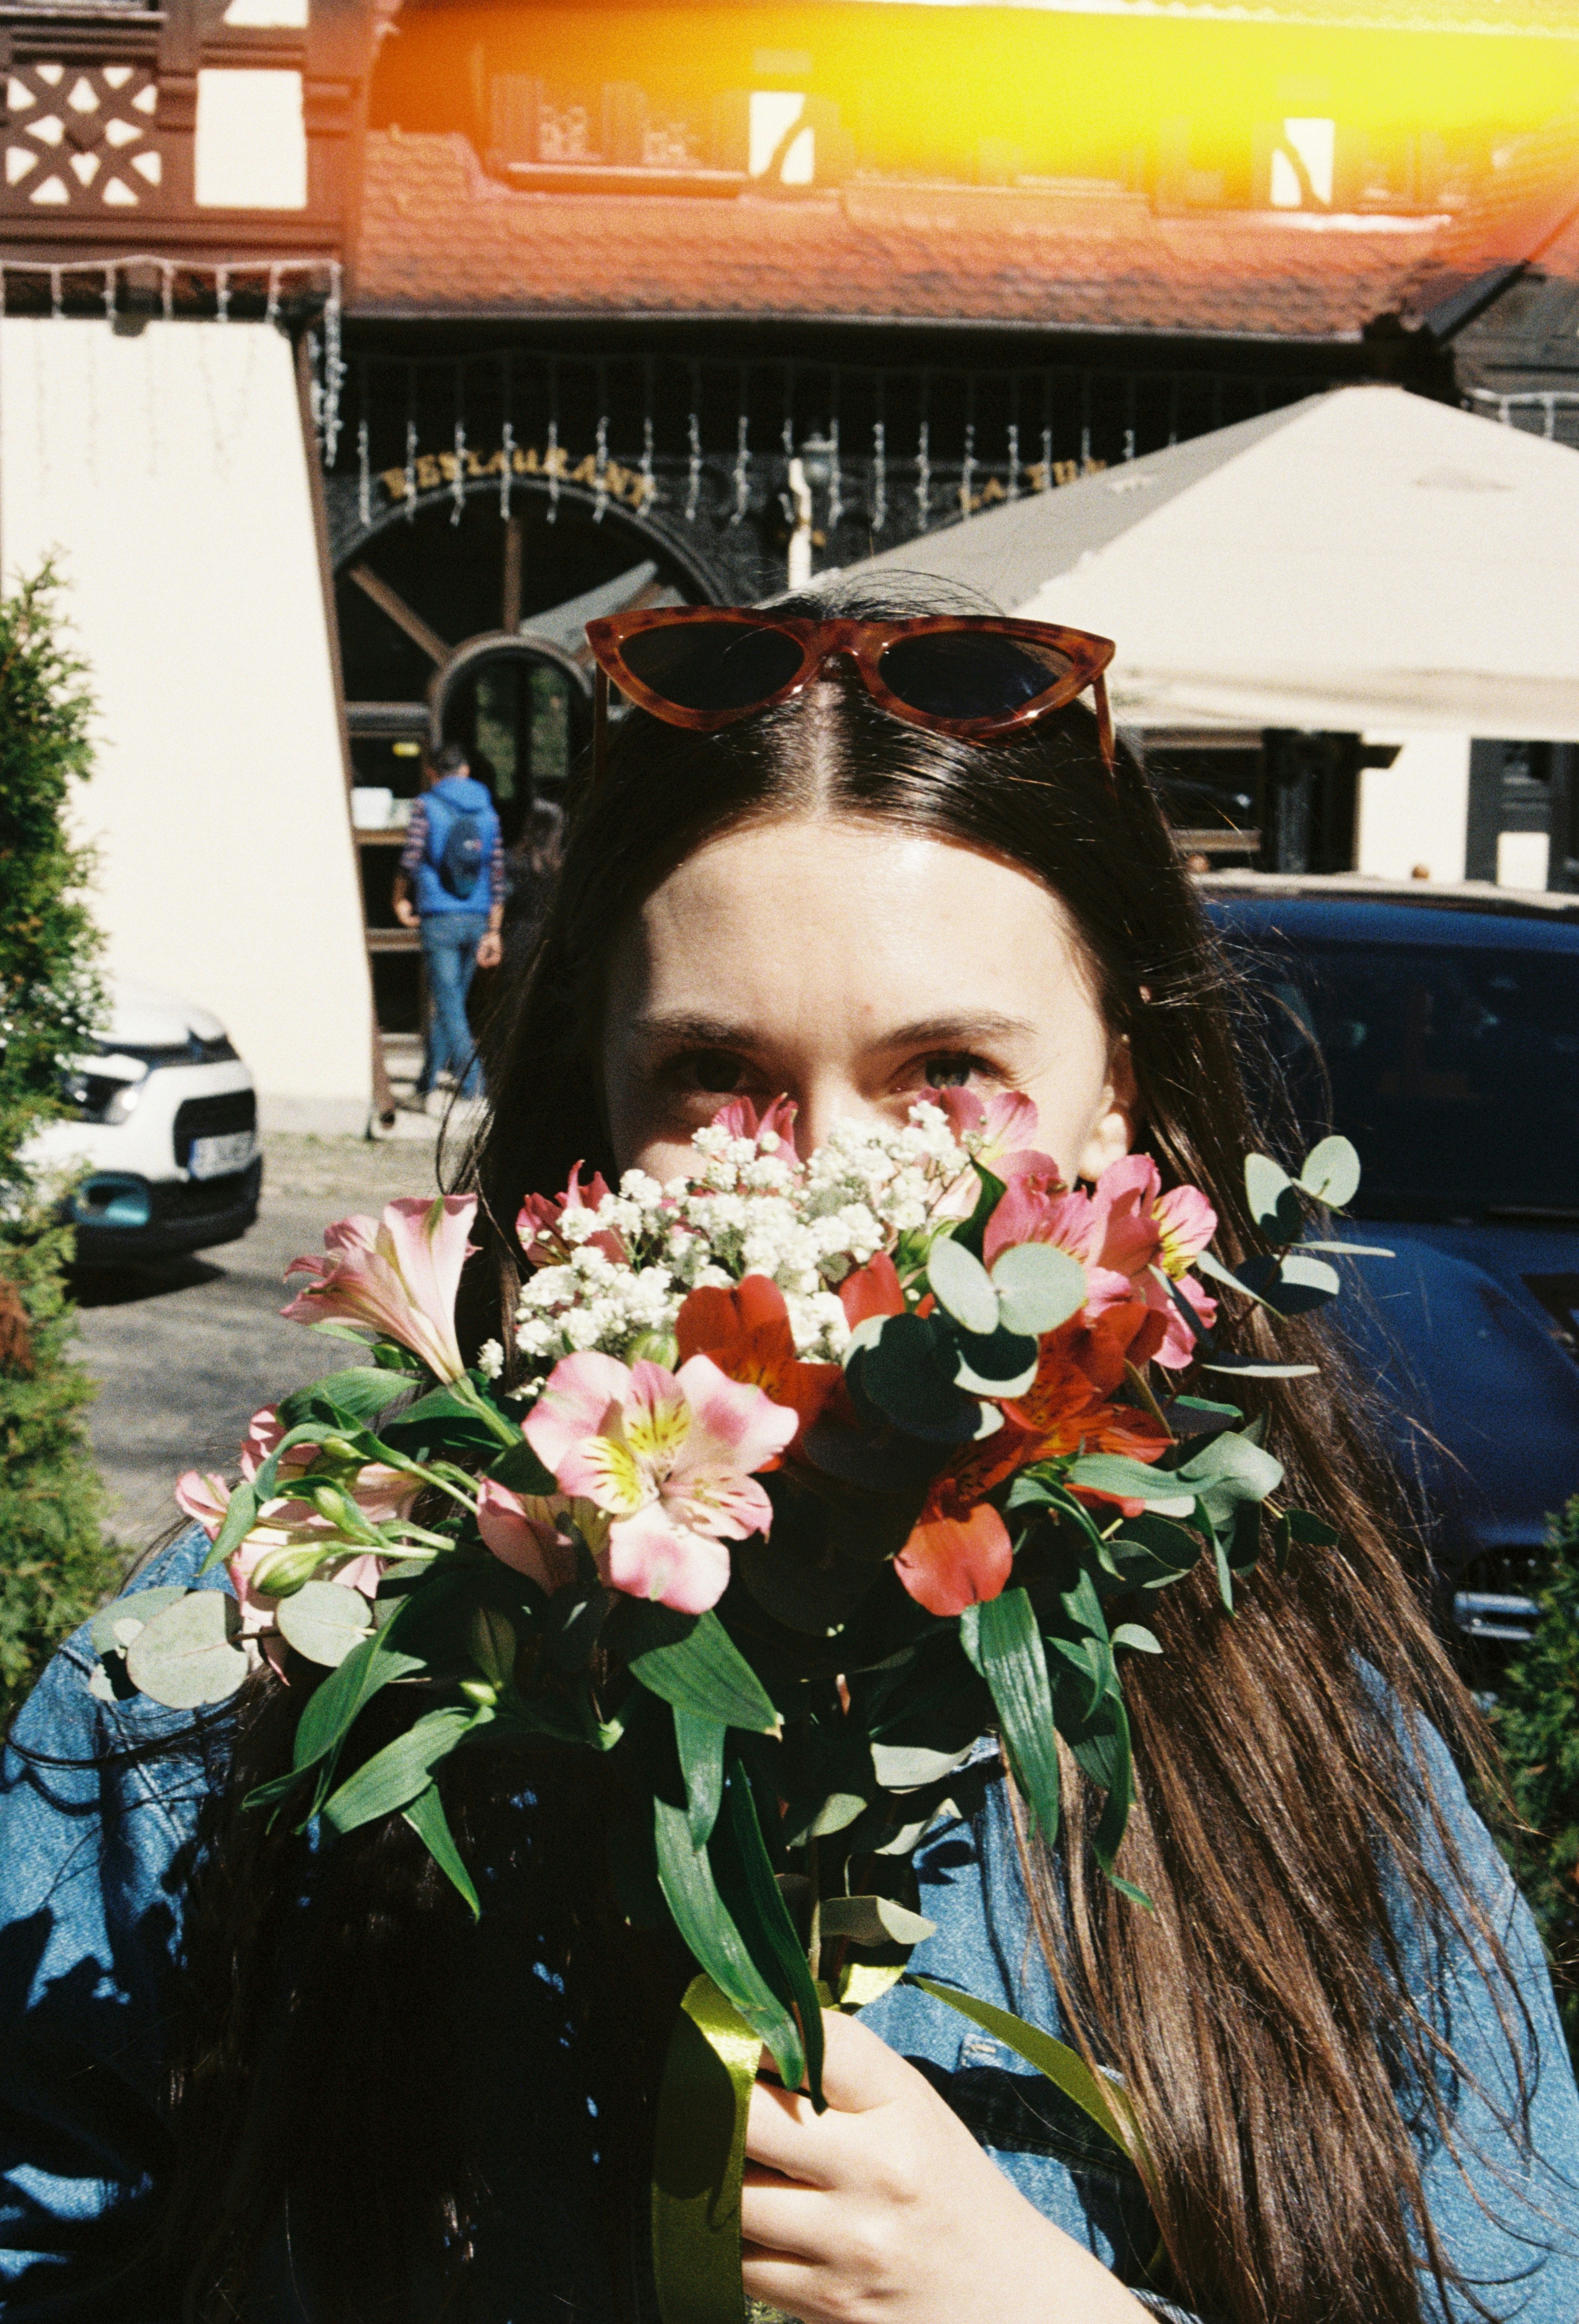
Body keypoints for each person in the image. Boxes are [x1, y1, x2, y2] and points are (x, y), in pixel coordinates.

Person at [3, 593, 1576, 2324]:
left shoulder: (1307, 1734)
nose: (826, 1187)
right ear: (589, 1103)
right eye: (712, 1074)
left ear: (1112, 1100)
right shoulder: (226, 1672)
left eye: (950, 1069)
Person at [392, 741, 504, 1104]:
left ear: (431, 772)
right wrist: (494, 928)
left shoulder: (427, 806)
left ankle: (474, 1083)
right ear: (466, 771)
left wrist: (399, 898)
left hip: (439, 916)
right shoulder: (488, 810)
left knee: (450, 1004)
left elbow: (410, 859)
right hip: (476, 916)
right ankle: (426, 1082)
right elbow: (496, 872)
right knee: (451, 1000)